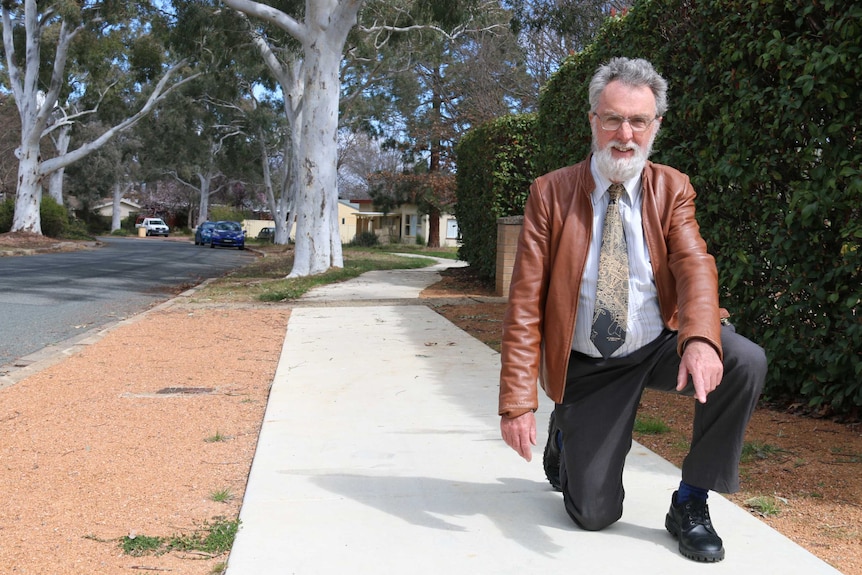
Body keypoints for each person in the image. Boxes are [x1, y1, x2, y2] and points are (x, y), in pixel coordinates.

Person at [498, 57, 766, 563]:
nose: (625, 134)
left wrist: (703, 338)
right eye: (612, 118)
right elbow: (525, 302)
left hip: (656, 343)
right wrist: (517, 401)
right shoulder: (549, 193)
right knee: (594, 514)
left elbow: (694, 263)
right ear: (593, 121)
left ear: (655, 125)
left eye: (638, 121)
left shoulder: (672, 187)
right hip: (591, 364)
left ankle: (690, 501)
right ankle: (567, 427)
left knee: (744, 360)